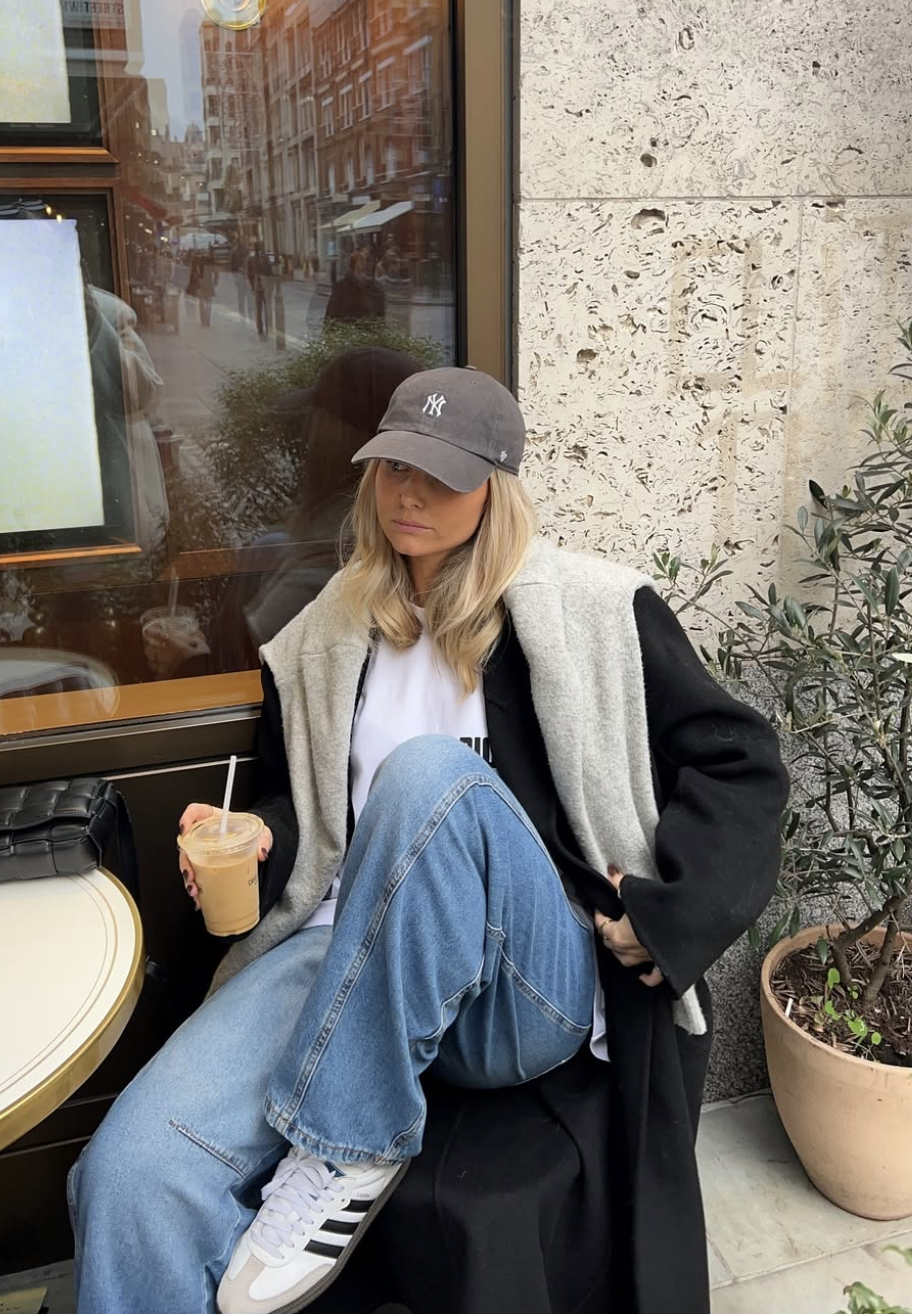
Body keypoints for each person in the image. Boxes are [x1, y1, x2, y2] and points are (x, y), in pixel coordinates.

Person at [69, 368, 789, 1314]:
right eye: (394, 467)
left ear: (497, 485)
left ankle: (346, 1143)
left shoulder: (592, 612)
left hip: (522, 980)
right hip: (342, 948)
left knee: (429, 776)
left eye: (443, 476)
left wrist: (666, 918)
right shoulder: (326, 631)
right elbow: (307, 813)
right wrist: (256, 841)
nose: (411, 493)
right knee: (130, 1173)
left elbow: (740, 762)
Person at [324, 247, 385, 325]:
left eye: (370, 261)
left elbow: (380, 317)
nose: (368, 265)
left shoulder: (377, 288)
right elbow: (331, 315)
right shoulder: (342, 287)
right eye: (362, 261)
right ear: (354, 265)